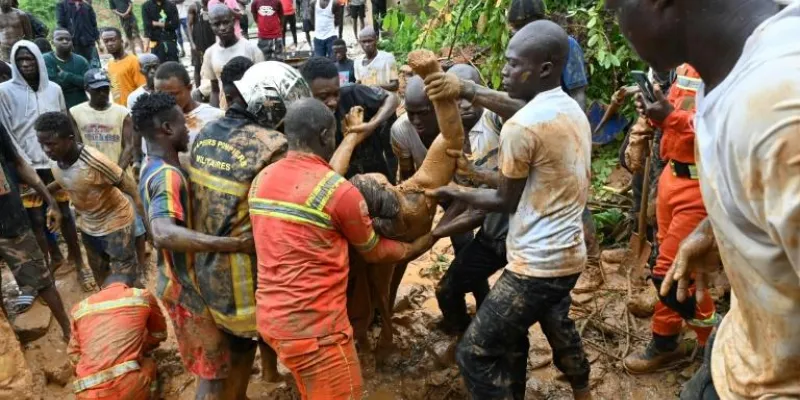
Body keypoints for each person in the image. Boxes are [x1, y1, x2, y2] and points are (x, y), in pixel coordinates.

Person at [609, 1, 800, 399]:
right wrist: (714, 229)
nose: (619, 24)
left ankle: (680, 339)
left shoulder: (780, 113)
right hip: (744, 349)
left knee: (667, 277)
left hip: (772, 383)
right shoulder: (725, 69)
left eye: (615, 9)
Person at [428, 21, 592, 400]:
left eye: (514, 64)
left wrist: (455, 190)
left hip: (538, 265)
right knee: (511, 337)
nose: (504, 70)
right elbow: (527, 182)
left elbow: (505, 200)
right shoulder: (569, 109)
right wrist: (477, 175)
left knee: (473, 354)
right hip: (566, 254)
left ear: (545, 69)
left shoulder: (520, 126)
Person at [251, 97, 434, 399]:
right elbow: (374, 252)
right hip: (316, 332)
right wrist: (415, 247)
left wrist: (351, 137)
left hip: (271, 320)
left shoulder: (263, 179)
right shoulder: (340, 193)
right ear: (325, 135)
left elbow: (317, 185)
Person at [425, 0, 599, 259]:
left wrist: (574, 135)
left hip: (557, 133)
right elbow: (520, 102)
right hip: (533, 131)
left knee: (567, 197)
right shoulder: (521, 53)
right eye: (514, 29)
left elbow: (577, 94)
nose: (518, 34)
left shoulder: (563, 46)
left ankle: (587, 251)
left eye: (521, 27)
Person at [134, 91, 251, 400]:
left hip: (180, 283)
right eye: (182, 123)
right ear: (167, 128)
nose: (188, 129)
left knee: (217, 364)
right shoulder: (167, 176)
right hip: (185, 289)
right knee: (212, 377)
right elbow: (163, 233)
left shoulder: (153, 165)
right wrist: (232, 244)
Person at [189, 56, 285, 397]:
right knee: (242, 346)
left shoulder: (204, 133)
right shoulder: (271, 145)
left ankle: (267, 374)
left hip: (206, 261)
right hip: (244, 269)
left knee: (231, 339)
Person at [622, 64, 716, 375]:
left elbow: (722, 129)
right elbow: (676, 113)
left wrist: (671, 117)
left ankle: (713, 340)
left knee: (669, 273)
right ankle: (667, 339)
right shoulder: (687, 65)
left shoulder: (730, 61)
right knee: (670, 263)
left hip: (700, 183)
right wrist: (654, 113)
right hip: (672, 175)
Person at [0, 41, 88, 290]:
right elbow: (6, 132)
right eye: (20, 60)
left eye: (30, 59)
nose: (26, 64)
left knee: (65, 214)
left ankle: (79, 263)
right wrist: (20, 163)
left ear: (39, 60)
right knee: (36, 220)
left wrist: (70, 154)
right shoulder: (5, 92)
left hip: (55, 163)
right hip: (25, 165)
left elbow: (63, 121)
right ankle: (50, 265)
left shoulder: (54, 89)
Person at [35, 111, 147, 288]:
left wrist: (146, 225)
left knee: (125, 279)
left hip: (117, 224)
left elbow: (130, 188)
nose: (46, 150)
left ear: (70, 139)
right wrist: (47, 197)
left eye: (51, 144)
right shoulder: (55, 160)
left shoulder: (95, 161)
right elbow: (66, 179)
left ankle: (138, 299)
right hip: (88, 226)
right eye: (42, 144)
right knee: (100, 275)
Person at [71, 69, 149, 272]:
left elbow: (129, 146)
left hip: (121, 177)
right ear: (87, 89)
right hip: (91, 180)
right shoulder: (76, 113)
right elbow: (76, 145)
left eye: (105, 89)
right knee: (99, 225)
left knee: (136, 224)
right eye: (97, 90)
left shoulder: (121, 113)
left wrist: (115, 175)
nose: (102, 93)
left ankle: (141, 266)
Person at [0, 120, 71, 340]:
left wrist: (50, 200)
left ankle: (69, 331)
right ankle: (10, 341)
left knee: (42, 279)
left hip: (10, 222)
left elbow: (19, 163)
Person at [67, 271, 167, 399]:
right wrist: (139, 348)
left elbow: (74, 355)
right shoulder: (141, 296)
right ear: (129, 287)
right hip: (128, 387)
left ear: (102, 288)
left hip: (87, 394)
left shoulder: (79, 309)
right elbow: (159, 334)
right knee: (149, 366)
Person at [301, 56, 399, 182]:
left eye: (336, 94)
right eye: (323, 96)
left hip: (376, 176)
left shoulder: (352, 93)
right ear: (306, 93)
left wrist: (372, 124)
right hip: (339, 185)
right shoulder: (301, 123)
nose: (333, 102)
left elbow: (392, 98)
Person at [202, 4, 264, 109]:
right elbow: (215, 90)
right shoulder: (210, 53)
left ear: (233, 21)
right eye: (217, 24)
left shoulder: (251, 49)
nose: (222, 28)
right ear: (211, 26)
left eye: (226, 22)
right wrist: (214, 114)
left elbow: (262, 85)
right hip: (226, 110)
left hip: (251, 109)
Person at [155, 61, 224, 147]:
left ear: (189, 88)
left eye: (173, 94)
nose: (167, 100)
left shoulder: (215, 117)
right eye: (161, 94)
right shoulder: (155, 119)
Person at [44, 28, 90, 109]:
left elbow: (88, 84)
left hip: (81, 106)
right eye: (60, 39)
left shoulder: (81, 60)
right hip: (57, 107)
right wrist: (77, 82)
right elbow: (52, 85)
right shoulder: (46, 59)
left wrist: (67, 76)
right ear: (52, 42)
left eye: (68, 39)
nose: (65, 41)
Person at [103, 27, 147, 107]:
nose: (109, 44)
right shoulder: (110, 64)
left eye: (113, 40)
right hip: (120, 110)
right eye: (106, 41)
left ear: (121, 41)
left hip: (134, 108)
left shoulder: (134, 61)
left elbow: (143, 89)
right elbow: (115, 88)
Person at [55, 0, 100, 68]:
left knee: (95, 66)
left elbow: (94, 24)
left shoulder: (87, 6)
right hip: (73, 43)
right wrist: (66, 40)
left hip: (89, 41)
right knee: (78, 66)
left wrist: (99, 43)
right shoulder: (62, 5)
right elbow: (61, 24)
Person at [354, 26, 398, 92]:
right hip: (366, 96)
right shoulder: (357, 61)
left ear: (376, 39)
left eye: (370, 41)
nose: (367, 44)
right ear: (359, 42)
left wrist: (376, 87)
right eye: (364, 41)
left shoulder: (387, 58)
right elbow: (359, 82)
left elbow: (395, 85)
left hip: (386, 95)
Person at [187, 0, 216, 87]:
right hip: (198, 42)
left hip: (211, 41)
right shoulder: (194, 6)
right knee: (197, 67)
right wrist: (192, 43)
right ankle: (197, 89)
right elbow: (188, 25)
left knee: (213, 66)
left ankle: (214, 88)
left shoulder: (213, 5)